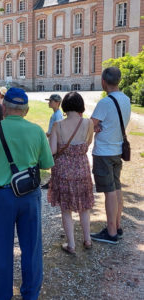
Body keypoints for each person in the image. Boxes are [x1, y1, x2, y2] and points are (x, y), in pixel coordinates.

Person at [0, 87, 54, 300]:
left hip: (1, 196)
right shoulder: (37, 131)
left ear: (4, 107)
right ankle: (30, 294)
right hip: (29, 195)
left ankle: (1, 295)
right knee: (32, 248)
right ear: (26, 110)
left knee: (1, 250)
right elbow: (47, 163)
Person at [48, 92, 95, 254]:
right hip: (82, 168)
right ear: (80, 105)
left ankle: (71, 245)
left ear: (65, 106)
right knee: (84, 206)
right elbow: (88, 143)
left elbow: (52, 150)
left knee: (66, 209)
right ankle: (87, 239)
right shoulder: (88, 124)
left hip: (63, 170)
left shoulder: (58, 126)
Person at [90, 67, 131, 244]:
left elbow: (90, 125)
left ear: (104, 81)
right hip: (117, 150)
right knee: (116, 188)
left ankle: (111, 232)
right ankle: (117, 225)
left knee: (109, 193)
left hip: (104, 152)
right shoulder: (126, 99)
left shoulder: (105, 103)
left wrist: (96, 127)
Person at [41, 94, 63, 189]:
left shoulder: (58, 115)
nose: (49, 103)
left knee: (54, 161)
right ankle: (53, 181)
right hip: (52, 139)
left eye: (51, 101)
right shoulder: (55, 114)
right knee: (53, 161)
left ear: (57, 103)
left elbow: (58, 128)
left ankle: (53, 182)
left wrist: (49, 134)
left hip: (55, 141)